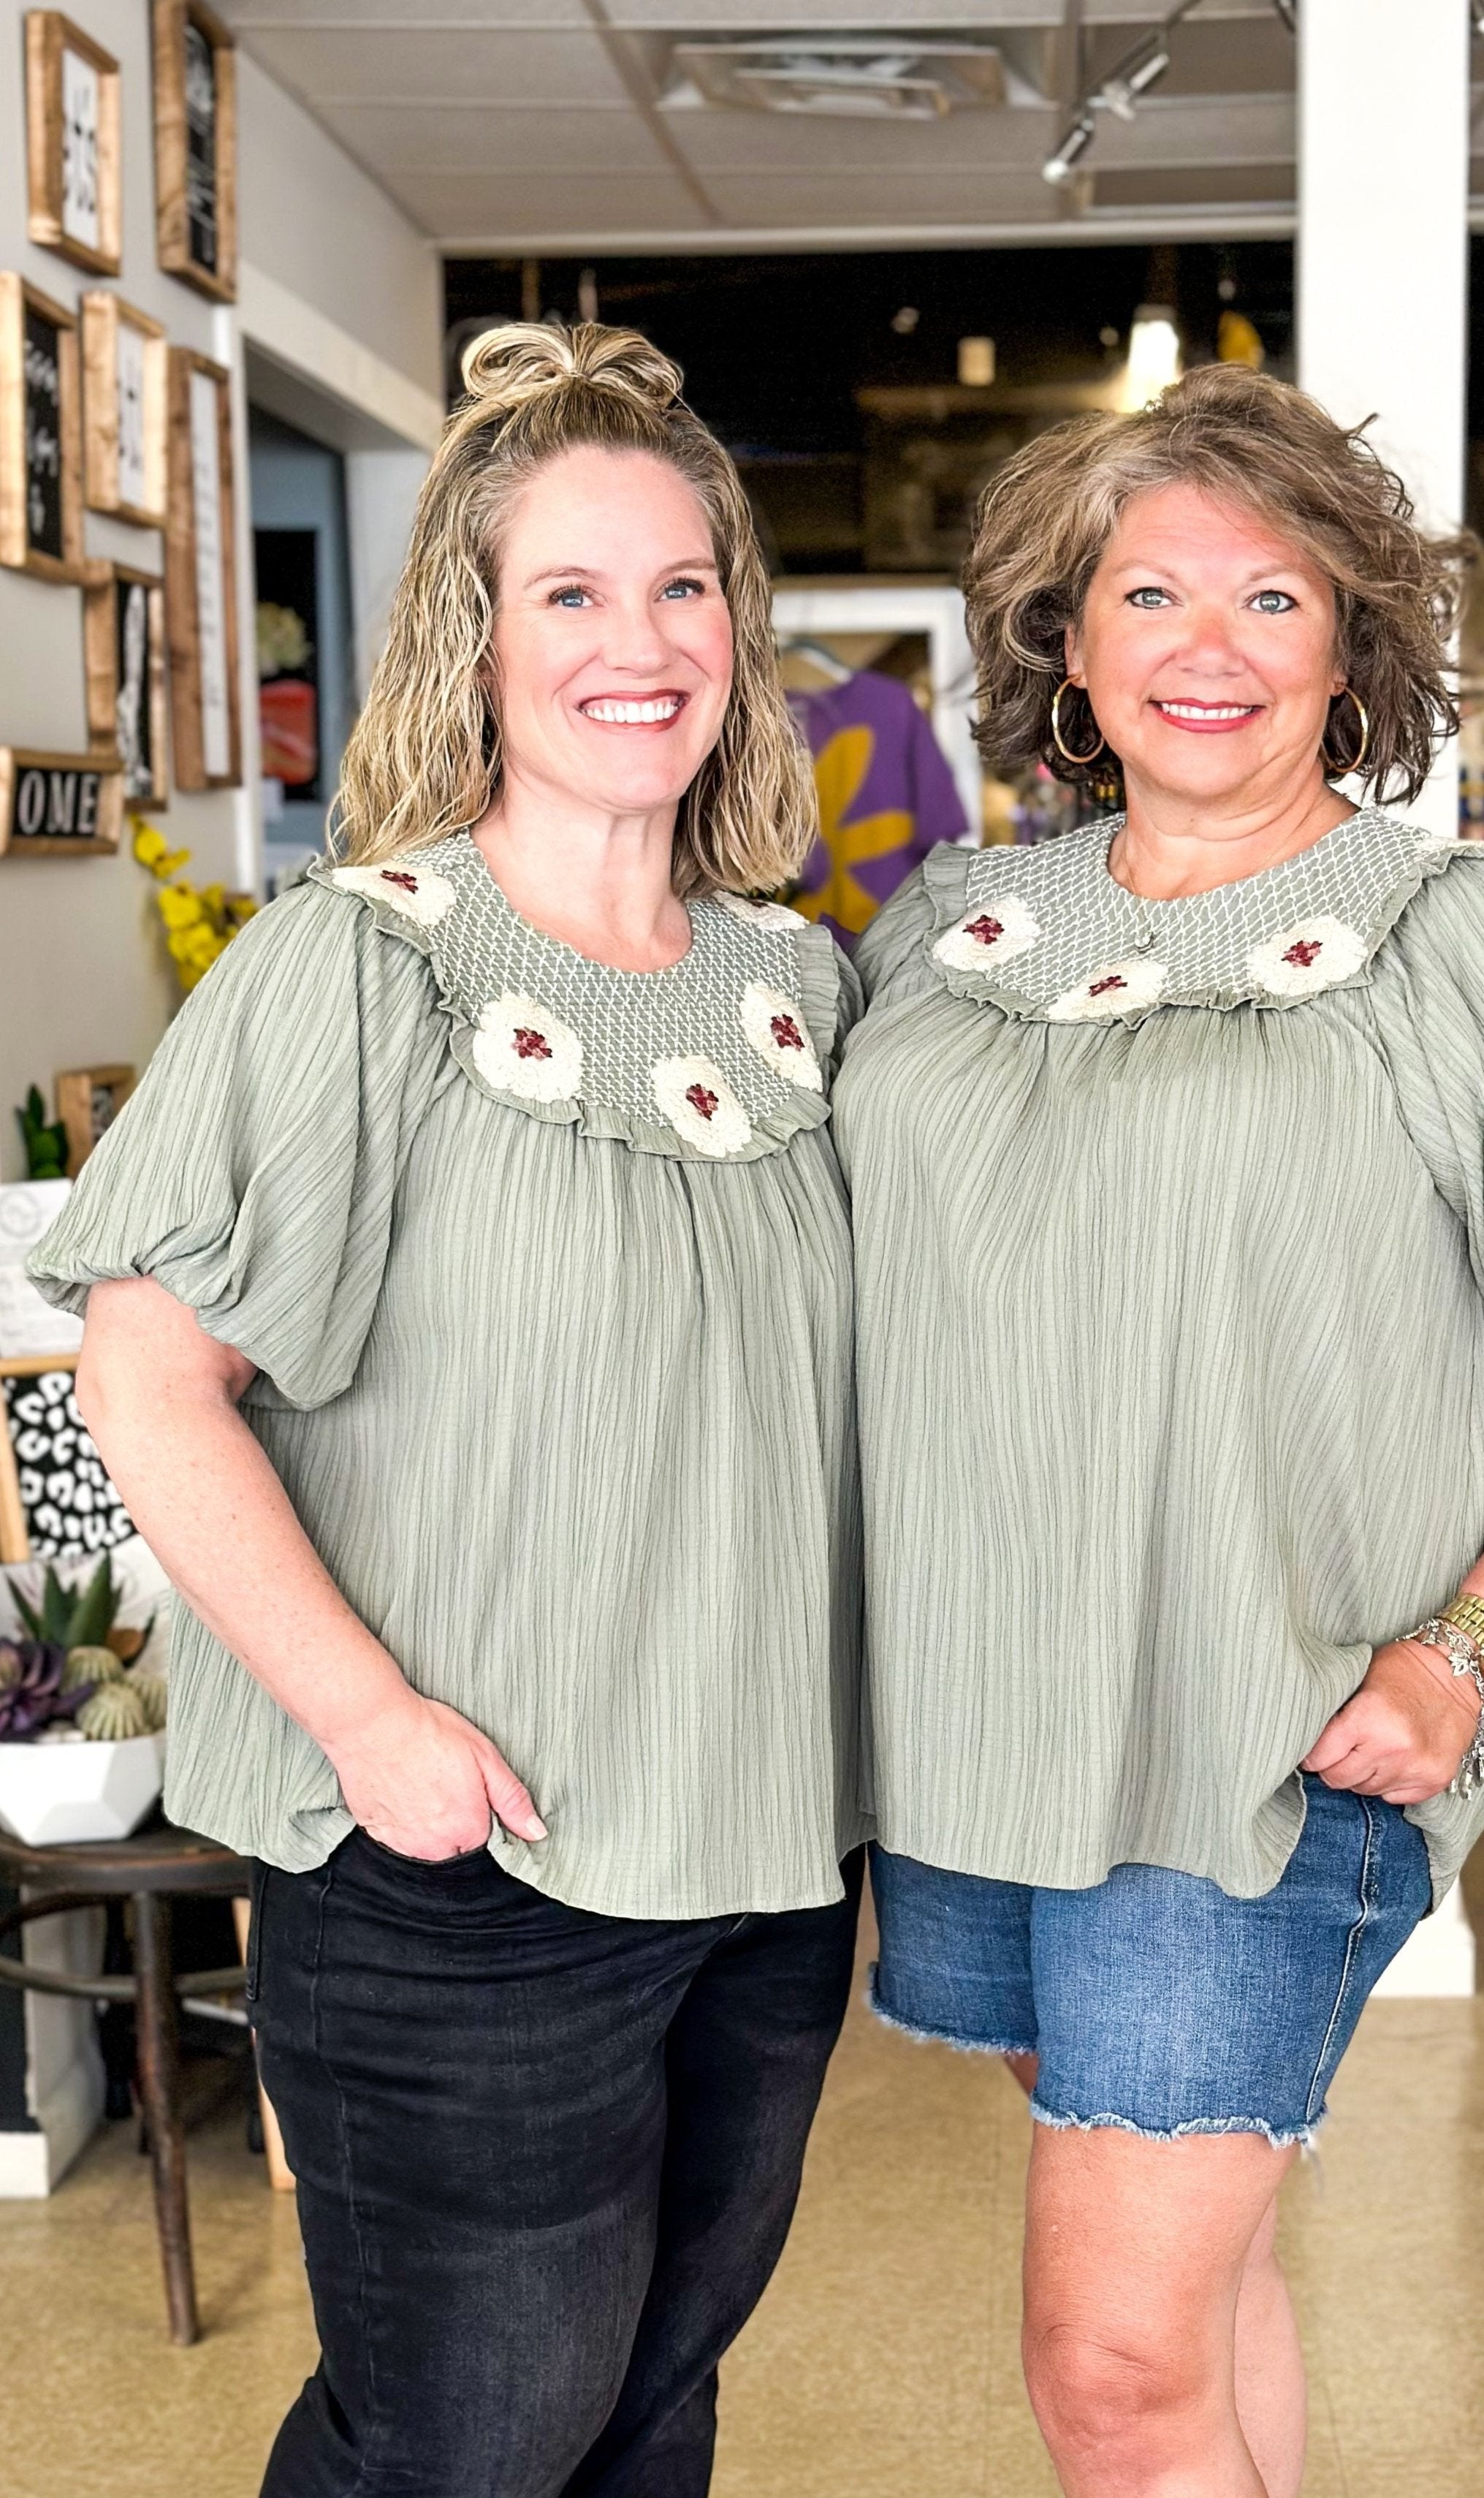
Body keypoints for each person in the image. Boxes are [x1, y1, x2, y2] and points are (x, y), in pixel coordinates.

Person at [832, 360, 1484, 2498]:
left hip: (1269, 1733)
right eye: (1147, 592)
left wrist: (1471, 1648)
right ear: (1059, 640)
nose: (1206, 648)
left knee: (1104, 2363)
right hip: (982, 1733)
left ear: (1351, 641)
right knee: (1195, 2298)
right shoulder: (950, 935)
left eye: (1272, 599)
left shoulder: (1464, 939)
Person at [30, 323, 867, 2498]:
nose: (637, 640)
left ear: (737, 628)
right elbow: (148, 1370)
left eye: (681, 585)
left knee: (649, 2411)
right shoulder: (357, 965)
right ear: (470, 641)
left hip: (761, 1854)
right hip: (460, 1857)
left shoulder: (803, 988)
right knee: (468, 2441)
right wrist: (368, 1722)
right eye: (569, 593)